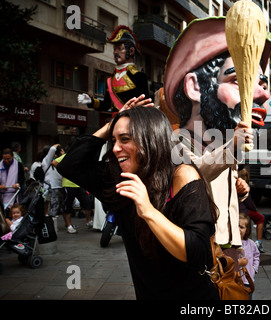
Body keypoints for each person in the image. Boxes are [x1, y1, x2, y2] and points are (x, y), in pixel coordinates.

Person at [57, 98, 220, 300]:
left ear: (150, 139)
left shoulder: (182, 175)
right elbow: (69, 166)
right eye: (114, 140)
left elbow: (199, 253)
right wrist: (114, 122)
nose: (116, 148)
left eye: (125, 139)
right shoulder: (120, 179)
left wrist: (148, 211)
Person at [162, 17, 271, 268]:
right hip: (201, 252)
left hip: (231, 248)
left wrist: (239, 189)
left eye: (260, 84)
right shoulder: (176, 142)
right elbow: (193, 176)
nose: (262, 94)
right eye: (239, 81)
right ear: (194, 87)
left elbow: (220, 190)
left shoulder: (223, 143)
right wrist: (231, 147)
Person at [77, 25, 149, 113]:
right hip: (115, 121)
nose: (115, 52)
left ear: (131, 51)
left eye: (120, 48)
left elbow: (145, 106)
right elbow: (106, 105)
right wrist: (90, 101)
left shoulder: (139, 77)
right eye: (114, 49)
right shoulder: (110, 80)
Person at [53, 144, 94, 230]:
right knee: (67, 206)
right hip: (68, 184)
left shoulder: (82, 156)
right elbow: (54, 162)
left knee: (87, 203)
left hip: (80, 184)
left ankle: (88, 221)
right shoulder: (66, 156)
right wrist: (64, 171)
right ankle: (69, 226)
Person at [238, 168, 265, 253]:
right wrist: (255, 209)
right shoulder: (244, 188)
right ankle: (259, 242)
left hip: (236, 209)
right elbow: (249, 203)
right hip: (243, 210)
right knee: (260, 218)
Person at [238, 212, 260, 299]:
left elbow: (256, 256)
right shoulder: (230, 244)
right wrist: (238, 263)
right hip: (234, 280)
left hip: (247, 280)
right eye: (236, 226)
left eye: (241, 227)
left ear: (247, 230)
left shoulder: (250, 243)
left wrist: (254, 268)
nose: (238, 229)